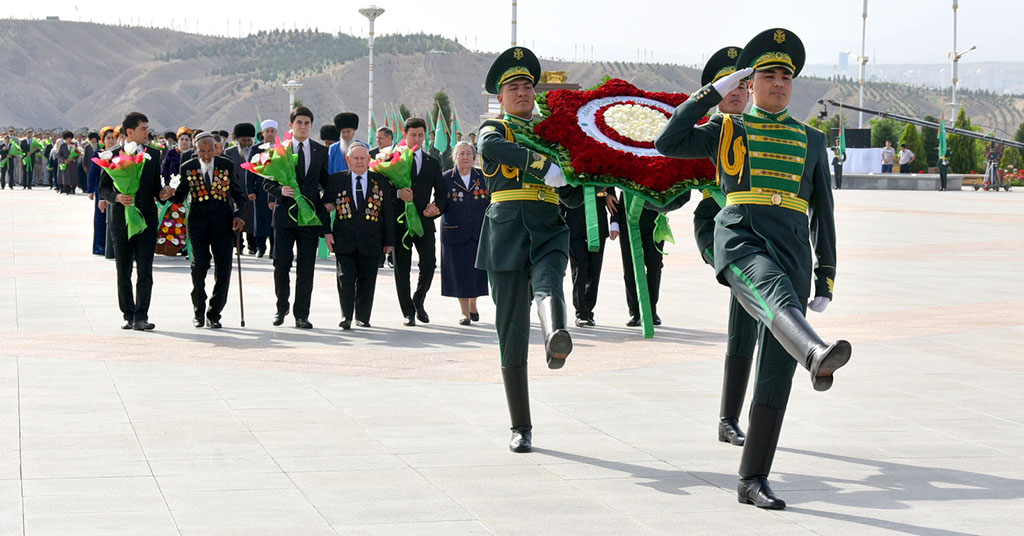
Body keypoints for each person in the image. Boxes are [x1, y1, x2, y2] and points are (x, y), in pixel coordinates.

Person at [654, 28, 851, 509]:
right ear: (751, 83)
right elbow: (667, 140)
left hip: (792, 249)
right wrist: (713, 93)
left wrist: (825, 274)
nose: (778, 83)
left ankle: (753, 479)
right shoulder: (728, 128)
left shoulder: (811, 139)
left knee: (775, 374)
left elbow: (823, 213)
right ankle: (814, 353)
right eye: (768, 76)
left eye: (786, 76)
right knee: (771, 291)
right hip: (742, 238)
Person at [477, 46, 583, 453]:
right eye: (514, 88)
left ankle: (555, 334)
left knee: (549, 281)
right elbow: (492, 149)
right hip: (506, 231)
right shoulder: (495, 128)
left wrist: (579, 176)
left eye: (527, 87)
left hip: (548, 226)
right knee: (511, 329)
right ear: (501, 97)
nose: (523, 93)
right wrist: (543, 166)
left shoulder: (551, 134)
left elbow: (572, 195)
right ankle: (520, 425)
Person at [99, 112, 175, 331]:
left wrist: (164, 194)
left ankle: (142, 316)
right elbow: (103, 188)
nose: (147, 132)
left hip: (146, 219)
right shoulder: (112, 155)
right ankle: (128, 314)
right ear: (130, 131)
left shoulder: (153, 154)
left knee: (145, 269)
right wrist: (116, 198)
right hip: (121, 220)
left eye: (148, 128)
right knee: (123, 269)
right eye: (143, 128)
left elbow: (155, 189)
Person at [171, 133, 247, 328]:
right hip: (198, 226)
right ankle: (198, 311)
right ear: (196, 150)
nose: (206, 155)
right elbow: (180, 196)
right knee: (199, 268)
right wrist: (168, 194)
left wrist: (239, 215)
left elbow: (239, 195)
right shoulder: (187, 167)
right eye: (202, 151)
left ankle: (214, 313)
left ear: (216, 148)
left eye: (210, 150)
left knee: (224, 270)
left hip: (223, 225)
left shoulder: (226, 165)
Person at [264, 107, 330, 329]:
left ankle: (301, 314)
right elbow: (266, 181)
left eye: (307, 123)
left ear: (311, 126)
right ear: (291, 125)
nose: (303, 126)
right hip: (285, 217)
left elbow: (326, 182)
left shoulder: (320, 151)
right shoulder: (279, 150)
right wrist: (279, 190)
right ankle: (281, 307)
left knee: (306, 267)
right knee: (281, 264)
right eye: (299, 122)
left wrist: (327, 202)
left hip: (309, 218)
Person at [324, 144, 395, 329]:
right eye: (356, 158)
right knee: (345, 279)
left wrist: (389, 240)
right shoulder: (336, 180)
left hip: (371, 239)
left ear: (369, 160)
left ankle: (363, 317)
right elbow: (324, 207)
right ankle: (346, 316)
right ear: (348, 160)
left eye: (363, 158)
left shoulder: (380, 181)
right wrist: (326, 232)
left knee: (367, 280)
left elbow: (388, 212)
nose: (360, 162)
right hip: (343, 238)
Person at [391, 118, 445, 326]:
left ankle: (418, 300)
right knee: (402, 268)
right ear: (405, 135)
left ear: (425, 136)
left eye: (420, 135)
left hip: (424, 221)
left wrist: (436, 208)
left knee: (429, 264)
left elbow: (441, 192)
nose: (417, 139)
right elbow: (383, 187)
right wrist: (398, 193)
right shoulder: (394, 159)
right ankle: (408, 312)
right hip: (401, 223)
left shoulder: (432, 162)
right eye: (413, 135)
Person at [440, 141, 489, 325]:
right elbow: (439, 204)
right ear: (455, 157)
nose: (465, 157)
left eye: (468, 153)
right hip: (455, 233)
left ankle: (473, 304)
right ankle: (464, 312)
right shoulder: (446, 178)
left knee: (477, 272)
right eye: (461, 153)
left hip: (479, 232)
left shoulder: (482, 176)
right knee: (460, 273)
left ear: (474, 157)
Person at [563, 186, 609, 327]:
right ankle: (581, 312)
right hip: (574, 219)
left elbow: (611, 185)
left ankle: (588, 310)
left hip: (598, 218)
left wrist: (615, 221)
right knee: (580, 266)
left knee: (595, 268)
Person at [224, 123, 257, 254]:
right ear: (237, 140)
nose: (247, 143)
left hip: (253, 192)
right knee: (237, 216)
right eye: (244, 140)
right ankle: (238, 245)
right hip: (235, 192)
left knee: (252, 218)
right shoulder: (229, 153)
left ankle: (252, 245)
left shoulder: (258, 152)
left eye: (249, 140)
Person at [247, 120, 278, 258]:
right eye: (267, 131)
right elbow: (250, 170)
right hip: (260, 190)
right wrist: (250, 190)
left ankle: (273, 248)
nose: (270, 134)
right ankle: (260, 247)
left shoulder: (281, 148)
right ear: (263, 133)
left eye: (272, 131)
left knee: (274, 219)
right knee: (260, 219)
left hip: (276, 190)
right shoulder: (256, 149)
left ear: (276, 133)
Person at [88, 127, 115, 256]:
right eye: (108, 138)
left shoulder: (118, 153)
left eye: (113, 138)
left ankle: (112, 246)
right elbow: (93, 173)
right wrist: (91, 190)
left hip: (115, 190)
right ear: (103, 140)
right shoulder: (98, 154)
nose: (111, 140)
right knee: (100, 218)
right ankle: (100, 246)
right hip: (101, 190)